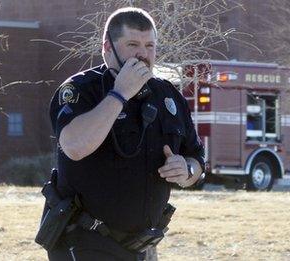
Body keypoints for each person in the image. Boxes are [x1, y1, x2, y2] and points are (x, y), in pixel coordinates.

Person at [46, 7, 205, 261]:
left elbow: (197, 159)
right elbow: (74, 146)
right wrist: (120, 94)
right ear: (107, 47)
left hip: (142, 246)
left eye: (150, 46)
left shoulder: (167, 95)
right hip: (85, 240)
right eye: (133, 44)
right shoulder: (80, 89)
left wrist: (185, 169)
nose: (143, 54)